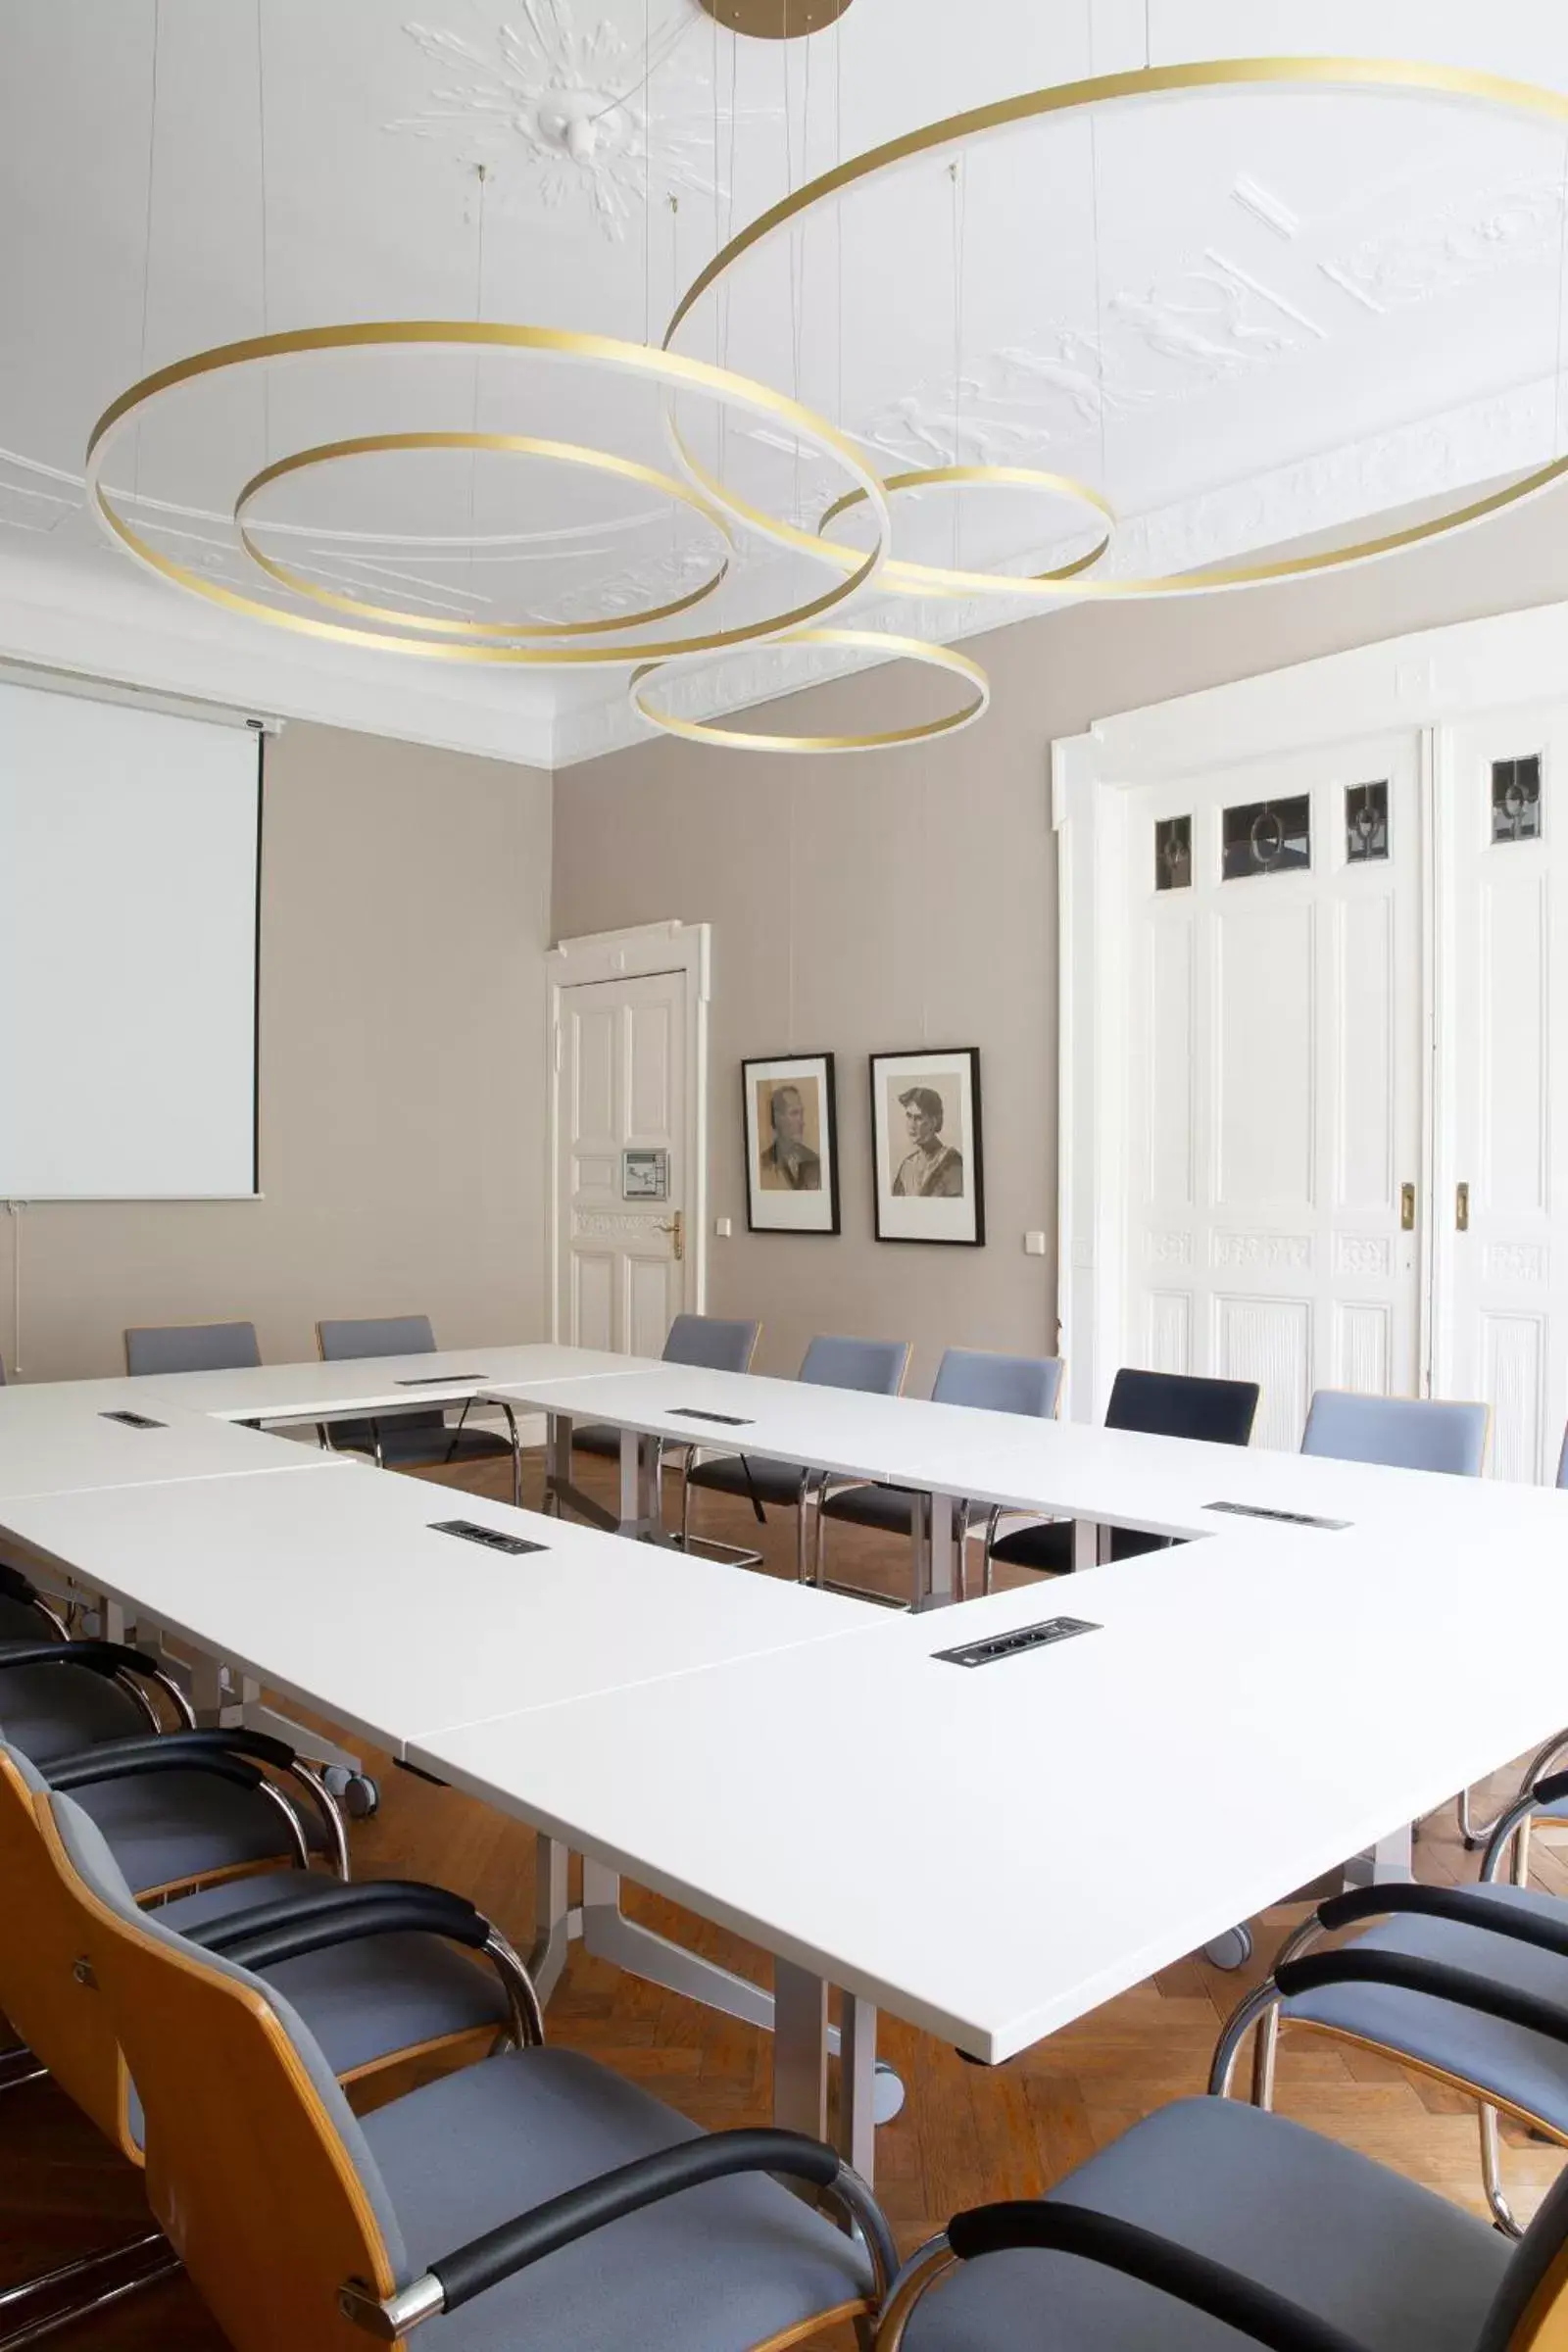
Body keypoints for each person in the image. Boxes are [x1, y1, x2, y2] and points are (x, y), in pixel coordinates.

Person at [892, 1084, 963, 1198]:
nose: (911, 1125)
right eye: (909, 1116)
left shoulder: (951, 1162)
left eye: (918, 1118)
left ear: (934, 1121)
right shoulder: (907, 1166)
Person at [759, 1082, 821, 1191]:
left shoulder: (814, 1161)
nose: (801, 1122)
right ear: (777, 1118)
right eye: (794, 1113)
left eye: (801, 1113)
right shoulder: (763, 1163)